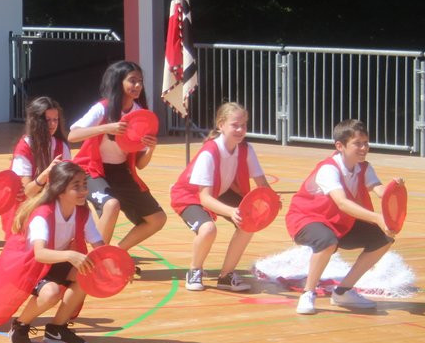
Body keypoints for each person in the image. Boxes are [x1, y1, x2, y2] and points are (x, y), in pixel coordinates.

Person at [286, 119, 401, 315]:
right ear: (340, 146)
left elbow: (378, 189)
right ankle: (308, 293)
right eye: (358, 143)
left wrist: (394, 190)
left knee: (384, 239)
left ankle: (343, 291)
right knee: (327, 242)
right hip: (306, 219)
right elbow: (342, 202)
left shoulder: (364, 167)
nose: (364, 148)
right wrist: (376, 218)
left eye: (366, 142)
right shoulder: (328, 169)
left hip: (340, 222)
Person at [0, 161, 103, 343]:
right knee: (51, 293)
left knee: (88, 272)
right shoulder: (43, 214)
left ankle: (57, 329)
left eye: (84, 185)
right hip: (30, 265)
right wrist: (71, 255)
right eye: (76, 186)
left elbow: (99, 247)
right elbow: (40, 254)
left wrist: (117, 268)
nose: (83, 191)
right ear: (60, 189)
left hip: (55, 260)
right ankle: (20, 326)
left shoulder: (82, 211)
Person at [170, 102, 274, 292]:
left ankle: (226, 276)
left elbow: (262, 184)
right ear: (221, 125)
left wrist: (272, 201)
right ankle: (194, 270)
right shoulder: (209, 153)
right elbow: (205, 199)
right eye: (235, 125)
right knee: (208, 229)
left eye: (244, 125)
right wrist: (231, 211)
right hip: (189, 196)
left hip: (219, 191)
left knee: (248, 223)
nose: (240, 129)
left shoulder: (246, 149)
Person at [68, 61, 166, 258]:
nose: (137, 85)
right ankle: (97, 260)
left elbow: (140, 164)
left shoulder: (140, 113)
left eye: (140, 81)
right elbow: (73, 135)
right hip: (91, 169)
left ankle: (114, 253)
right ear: (118, 82)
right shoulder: (102, 108)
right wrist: (106, 128)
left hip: (121, 171)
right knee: (111, 205)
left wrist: (151, 149)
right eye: (132, 80)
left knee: (157, 218)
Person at [6, 97, 71, 237]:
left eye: (56, 119)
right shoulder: (24, 148)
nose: (53, 124)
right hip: (25, 211)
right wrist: (46, 174)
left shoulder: (61, 146)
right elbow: (28, 192)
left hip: (50, 204)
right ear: (36, 121)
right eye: (48, 120)